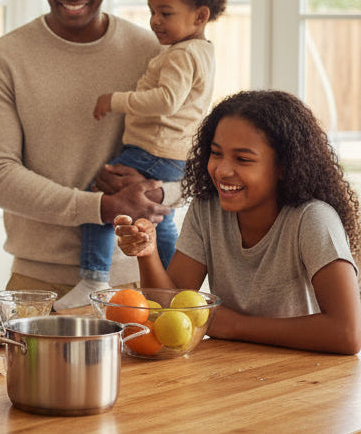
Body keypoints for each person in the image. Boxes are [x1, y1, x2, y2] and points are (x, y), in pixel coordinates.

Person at [0, 0, 177, 306]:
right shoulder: (3, 58)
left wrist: (155, 191)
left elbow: (187, 162)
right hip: (41, 286)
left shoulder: (151, 54)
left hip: (142, 283)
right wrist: (102, 206)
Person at [115, 90, 361, 355]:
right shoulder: (206, 210)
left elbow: (347, 333)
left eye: (243, 159)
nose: (221, 170)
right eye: (216, 153)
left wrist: (234, 326)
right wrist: (147, 253)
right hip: (230, 372)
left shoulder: (312, 219)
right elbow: (171, 310)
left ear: (284, 167)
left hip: (302, 381)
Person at [56, 0, 228, 311]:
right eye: (152, 11)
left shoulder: (181, 55)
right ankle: (172, 292)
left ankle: (93, 274)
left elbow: (166, 100)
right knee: (155, 218)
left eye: (165, 13)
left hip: (152, 149)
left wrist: (115, 100)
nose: (154, 22)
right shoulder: (202, 52)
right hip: (174, 156)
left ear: (200, 15)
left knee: (101, 197)